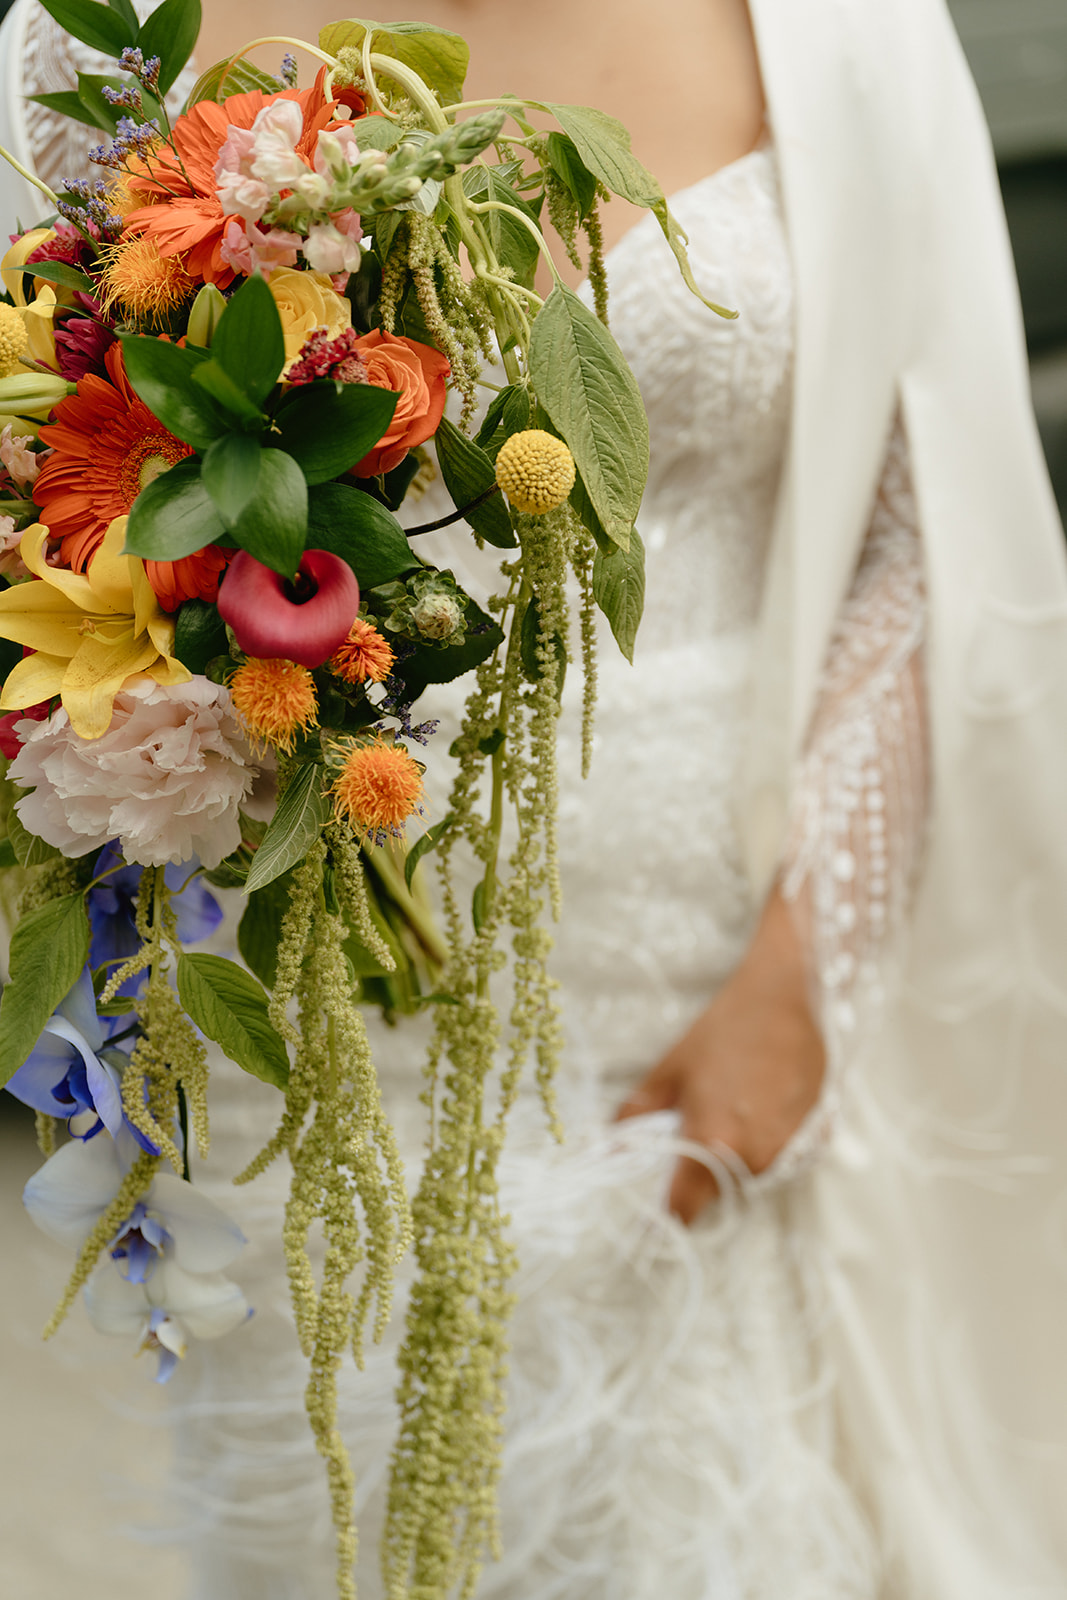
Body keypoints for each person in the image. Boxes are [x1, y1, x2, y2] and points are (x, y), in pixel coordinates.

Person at [9, 1, 1067, 1595]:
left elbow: (929, 539)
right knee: (322, 1514)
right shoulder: (96, 48)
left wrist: (803, 975)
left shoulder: (840, 31)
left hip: (706, 996)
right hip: (287, 1013)